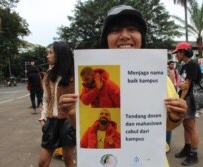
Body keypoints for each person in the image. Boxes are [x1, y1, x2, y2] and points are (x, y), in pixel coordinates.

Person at [59, 5, 187, 166]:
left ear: (142, 37)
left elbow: (166, 126)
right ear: (106, 39)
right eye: (116, 30)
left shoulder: (158, 78)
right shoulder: (87, 82)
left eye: (132, 29)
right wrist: (71, 114)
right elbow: (84, 128)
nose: (125, 36)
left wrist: (176, 116)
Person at [38, 41, 76, 167]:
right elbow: (46, 97)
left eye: (50, 53)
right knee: (43, 162)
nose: (47, 56)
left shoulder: (75, 75)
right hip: (51, 120)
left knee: (68, 160)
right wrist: (43, 117)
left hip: (68, 121)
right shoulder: (48, 75)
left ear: (60, 55)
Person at [173, 42, 202, 166]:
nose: (175, 56)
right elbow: (182, 84)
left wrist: (181, 100)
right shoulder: (184, 66)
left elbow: (187, 86)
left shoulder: (193, 65)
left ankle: (194, 154)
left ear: (182, 52)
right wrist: (179, 86)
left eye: (177, 53)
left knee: (191, 126)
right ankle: (187, 148)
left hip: (189, 98)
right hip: (184, 98)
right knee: (185, 125)